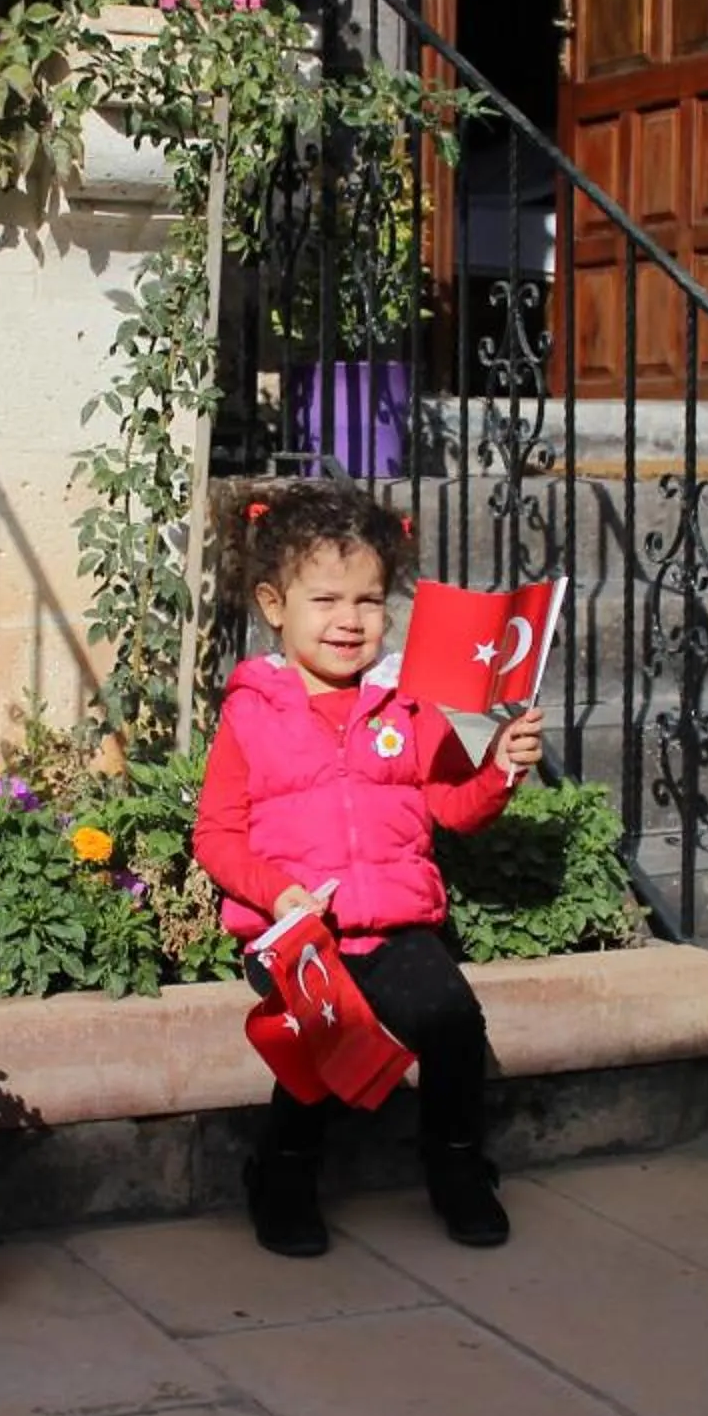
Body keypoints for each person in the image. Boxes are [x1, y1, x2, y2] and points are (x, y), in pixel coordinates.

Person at [193, 481, 546, 1257]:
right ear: (274, 605)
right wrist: (276, 894)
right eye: (325, 600)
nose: (349, 620)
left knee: (454, 1023)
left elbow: (454, 805)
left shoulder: (408, 703)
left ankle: (457, 1166)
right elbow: (216, 836)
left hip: (395, 927)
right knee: (324, 1041)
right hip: (299, 935)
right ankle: (282, 1176)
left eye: (368, 601)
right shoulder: (251, 711)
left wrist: (499, 768)